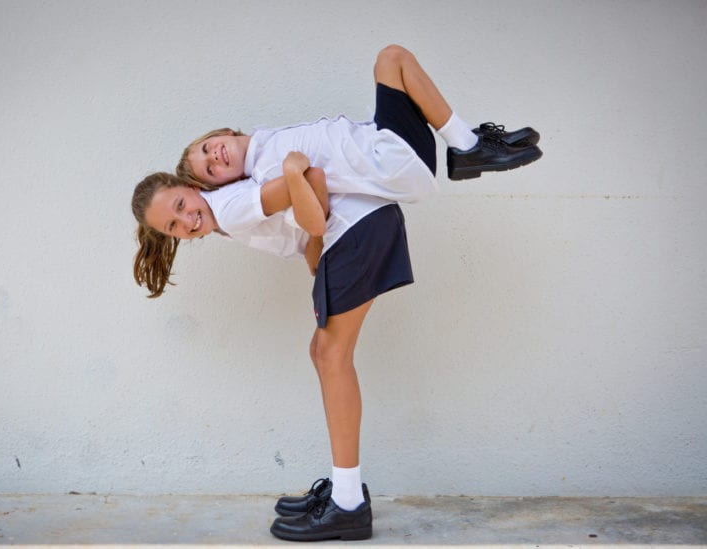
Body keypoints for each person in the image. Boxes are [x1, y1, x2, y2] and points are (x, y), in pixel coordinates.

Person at [132, 45, 542, 541]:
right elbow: (308, 226)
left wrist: (295, 183)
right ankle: (466, 144)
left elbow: (315, 196)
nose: (185, 220)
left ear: (204, 161)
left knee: (330, 355)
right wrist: (314, 252)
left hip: (361, 223)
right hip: (373, 201)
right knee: (325, 352)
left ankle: (348, 503)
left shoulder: (233, 206)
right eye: (174, 226)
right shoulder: (233, 203)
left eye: (180, 205)